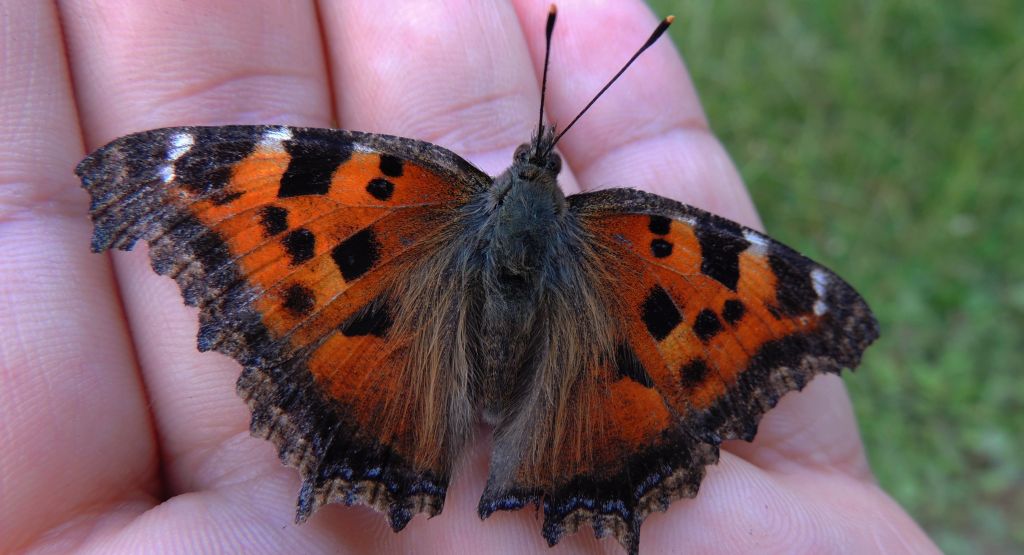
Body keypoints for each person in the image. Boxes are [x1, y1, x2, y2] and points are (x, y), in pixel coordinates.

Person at [0, 1, 939, 552]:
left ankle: (549, 464)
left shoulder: (393, 189)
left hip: (431, 346)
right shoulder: (648, 239)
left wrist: (807, 311)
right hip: (529, 360)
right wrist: (170, 169)